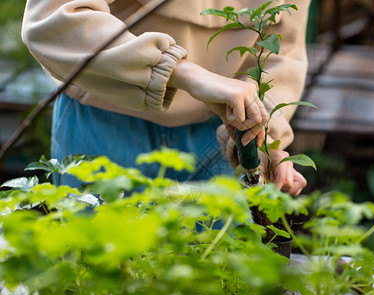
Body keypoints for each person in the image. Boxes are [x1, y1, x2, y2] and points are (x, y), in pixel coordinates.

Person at [21, 0, 309, 196]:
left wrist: (261, 133)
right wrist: (182, 72)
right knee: (92, 276)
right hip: (103, 120)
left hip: (216, 137)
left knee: (210, 280)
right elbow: (52, 20)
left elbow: (282, 51)